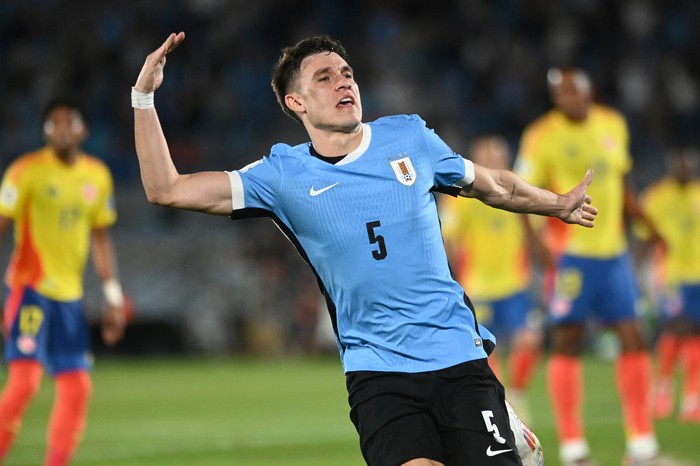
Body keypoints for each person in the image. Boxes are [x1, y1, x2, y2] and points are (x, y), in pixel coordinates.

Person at [132, 32, 597, 466]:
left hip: (458, 355)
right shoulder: (281, 176)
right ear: (296, 102)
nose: (343, 82)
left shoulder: (409, 137)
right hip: (379, 371)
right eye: (325, 77)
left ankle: (501, 414)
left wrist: (556, 203)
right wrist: (144, 98)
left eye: (347, 73)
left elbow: (493, 185)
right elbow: (167, 188)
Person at [514, 67, 669, 466]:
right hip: (571, 255)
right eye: (560, 94)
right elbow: (519, 190)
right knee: (567, 341)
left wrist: (646, 226)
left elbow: (623, 183)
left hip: (614, 252)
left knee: (634, 337)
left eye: (573, 92)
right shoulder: (540, 136)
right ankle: (573, 446)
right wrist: (535, 242)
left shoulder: (613, 124)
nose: (568, 100)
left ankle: (641, 443)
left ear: (588, 92)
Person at [0, 99, 127, 466]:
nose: (61, 130)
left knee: (77, 388)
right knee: (24, 383)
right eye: (53, 124)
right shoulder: (26, 171)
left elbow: (101, 237)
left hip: (70, 298)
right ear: (44, 131)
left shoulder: (97, 175)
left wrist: (113, 295)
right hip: (29, 290)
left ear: (84, 129)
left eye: (69, 122)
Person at [439, 136, 546, 422]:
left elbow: (534, 231)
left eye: (498, 157)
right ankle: (502, 405)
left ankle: (518, 394)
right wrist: (451, 278)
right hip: (479, 286)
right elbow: (448, 238)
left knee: (529, 340)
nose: (494, 162)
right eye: (487, 156)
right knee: (485, 352)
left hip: (516, 283)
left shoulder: (518, 191)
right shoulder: (460, 197)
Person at [638, 147, 700, 423]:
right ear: (672, 166)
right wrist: (638, 269)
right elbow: (644, 234)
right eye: (680, 165)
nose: (685, 170)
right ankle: (662, 388)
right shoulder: (656, 196)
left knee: (695, 334)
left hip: (697, 274)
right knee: (675, 330)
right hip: (671, 274)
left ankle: (692, 397)